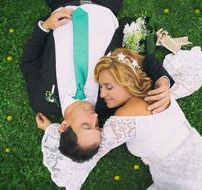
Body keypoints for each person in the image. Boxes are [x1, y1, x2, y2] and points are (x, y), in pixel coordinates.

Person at [39, 47, 202, 190]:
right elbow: (148, 61)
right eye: (101, 87)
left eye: (108, 87)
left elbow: (86, 156)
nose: (102, 95)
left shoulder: (122, 119)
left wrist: (52, 131)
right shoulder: (158, 90)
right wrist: (163, 79)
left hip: (187, 180)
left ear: (127, 81)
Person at [21, 0, 174, 161]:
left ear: (64, 125)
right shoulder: (110, 101)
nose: (94, 117)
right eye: (96, 126)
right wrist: (163, 81)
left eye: (86, 125)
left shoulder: (41, 101)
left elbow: (28, 62)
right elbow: (142, 62)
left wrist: (45, 26)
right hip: (105, 5)